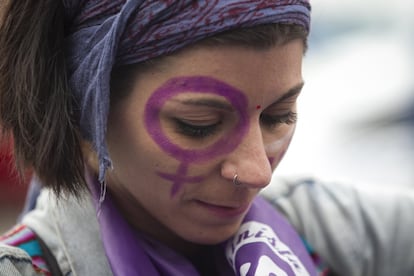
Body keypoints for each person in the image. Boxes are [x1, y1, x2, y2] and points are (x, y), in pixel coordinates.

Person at [0, 0, 321, 275]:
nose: (258, 173)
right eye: (199, 125)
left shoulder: (330, 231)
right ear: (87, 111)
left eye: (279, 116)